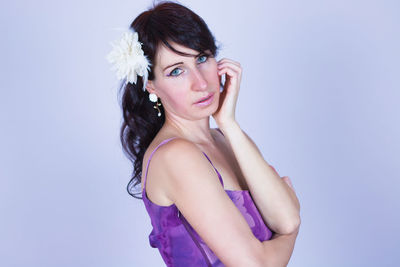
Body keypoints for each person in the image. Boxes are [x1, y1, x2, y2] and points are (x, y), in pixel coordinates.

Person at [106, 1, 301, 266]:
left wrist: (229, 124)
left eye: (202, 58)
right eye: (176, 71)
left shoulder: (225, 138)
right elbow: (259, 262)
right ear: (151, 85)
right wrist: (289, 237)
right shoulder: (176, 156)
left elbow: (287, 218)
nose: (200, 82)